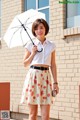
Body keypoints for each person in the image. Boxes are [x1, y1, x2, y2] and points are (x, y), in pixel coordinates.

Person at [21, 18, 59, 120]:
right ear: (34, 31)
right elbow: (25, 63)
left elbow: (53, 64)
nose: (39, 30)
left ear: (45, 29)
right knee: (32, 114)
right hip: (33, 77)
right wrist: (33, 53)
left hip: (46, 78)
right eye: (36, 28)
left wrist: (55, 83)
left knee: (45, 116)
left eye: (41, 27)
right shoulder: (30, 44)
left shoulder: (51, 45)